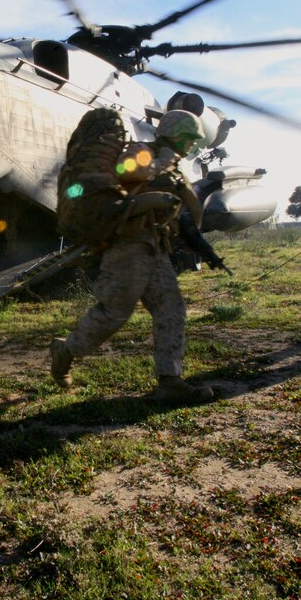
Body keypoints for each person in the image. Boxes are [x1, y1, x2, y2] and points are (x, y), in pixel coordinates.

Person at [50, 109, 214, 405]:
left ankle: (170, 381)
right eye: (189, 138)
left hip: (155, 247)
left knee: (171, 308)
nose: (192, 145)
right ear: (177, 134)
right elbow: (127, 170)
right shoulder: (141, 151)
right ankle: (66, 351)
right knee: (113, 313)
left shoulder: (174, 166)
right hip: (127, 246)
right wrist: (162, 162)